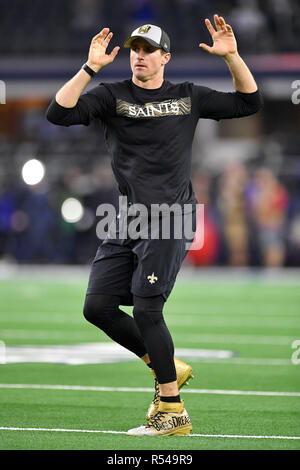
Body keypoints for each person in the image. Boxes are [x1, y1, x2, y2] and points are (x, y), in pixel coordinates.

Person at [46, 15, 262, 436]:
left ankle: (172, 411)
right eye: (134, 51)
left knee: (147, 309)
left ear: (165, 57)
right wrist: (90, 68)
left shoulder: (188, 96)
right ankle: (166, 365)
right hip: (128, 217)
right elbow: (59, 113)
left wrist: (233, 57)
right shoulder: (112, 95)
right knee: (97, 307)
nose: (139, 57)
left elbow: (248, 103)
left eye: (148, 51)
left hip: (170, 217)